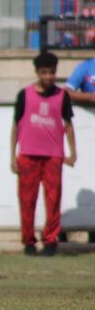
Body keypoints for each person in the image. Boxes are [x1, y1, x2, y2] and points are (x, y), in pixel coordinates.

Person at [11, 51, 77, 257]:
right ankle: (29, 241)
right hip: (29, 154)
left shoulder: (62, 96)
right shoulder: (25, 94)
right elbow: (16, 125)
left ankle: (50, 240)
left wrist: (72, 152)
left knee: (53, 198)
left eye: (52, 72)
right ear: (37, 72)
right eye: (44, 72)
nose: (48, 77)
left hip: (53, 155)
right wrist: (12, 155)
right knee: (27, 199)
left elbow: (68, 125)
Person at [64, 55, 95, 243]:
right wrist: (90, 97)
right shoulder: (86, 67)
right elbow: (66, 91)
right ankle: (78, 235)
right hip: (87, 135)